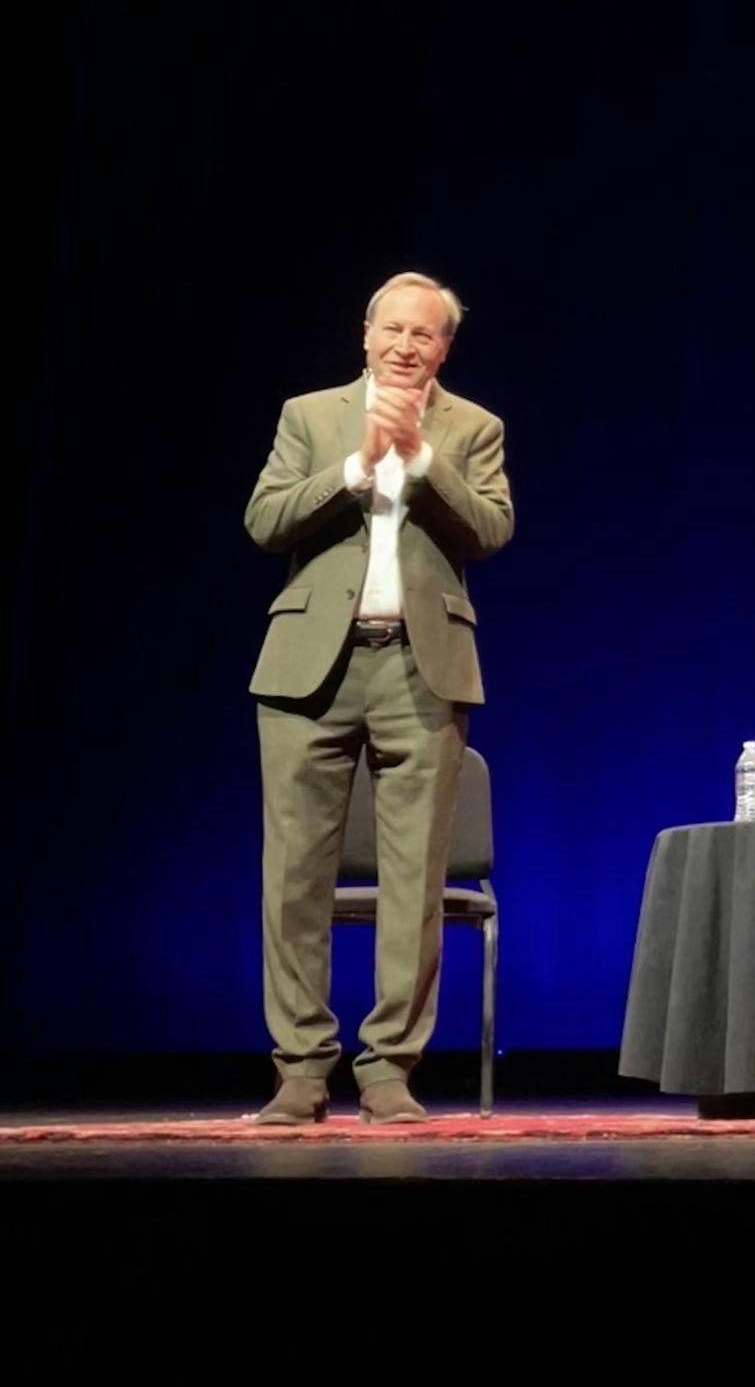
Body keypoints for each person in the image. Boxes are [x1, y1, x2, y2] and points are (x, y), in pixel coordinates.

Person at [245, 271, 514, 1124]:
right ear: (365, 334)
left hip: (420, 668)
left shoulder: (472, 428)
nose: (405, 345)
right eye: (392, 330)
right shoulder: (309, 415)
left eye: (424, 335)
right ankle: (300, 1069)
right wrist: (359, 467)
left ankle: (390, 1066)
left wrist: (423, 461)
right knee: (293, 876)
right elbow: (265, 518)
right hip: (307, 670)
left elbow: (493, 528)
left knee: (415, 880)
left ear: (444, 348)